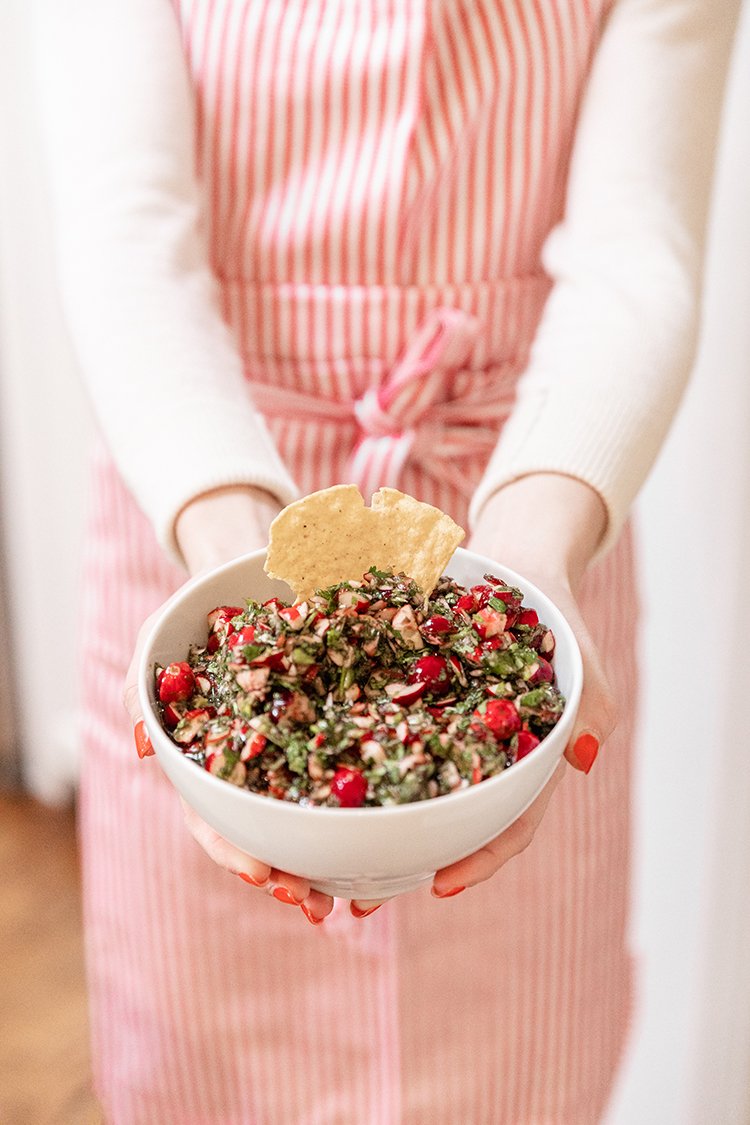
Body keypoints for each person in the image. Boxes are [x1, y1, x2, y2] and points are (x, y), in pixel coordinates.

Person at [38, 0, 738, 1121]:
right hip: (201, 501)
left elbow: (634, 250)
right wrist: (235, 582)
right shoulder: (216, 562)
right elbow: (127, 233)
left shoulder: (529, 558)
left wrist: (530, 557)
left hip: (527, 497)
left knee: (518, 1071)